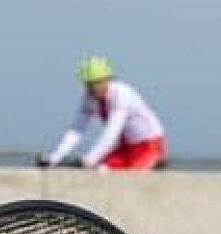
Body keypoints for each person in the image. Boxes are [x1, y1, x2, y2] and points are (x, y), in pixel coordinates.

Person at [40, 56, 168, 171]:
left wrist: (90, 159)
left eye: (95, 84)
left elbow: (111, 132)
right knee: (101, 170)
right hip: (125, 147)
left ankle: (157, 163)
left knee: (133, 177)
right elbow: (76, 130)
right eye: (88, 84)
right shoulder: (89, 97)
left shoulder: (121, 93)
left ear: (106, 80)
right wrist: (53, 158)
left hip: (149, 145)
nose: (91, 89)